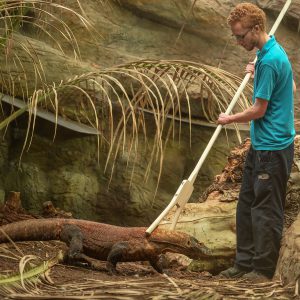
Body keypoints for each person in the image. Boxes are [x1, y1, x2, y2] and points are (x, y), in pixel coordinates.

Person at [217, 3, 295, 281]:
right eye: (235, 37)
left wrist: (229, 119)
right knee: (246, 204)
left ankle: (261, 270)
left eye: (241, 36)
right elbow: (286, 85)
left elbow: (258, 110)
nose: (238, 42)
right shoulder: (267, 54)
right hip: (260, 145)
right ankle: (243, 263)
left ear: (257, 29)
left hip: (272, 149)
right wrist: (257, 65)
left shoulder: (271, 60)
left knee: (265, 210)